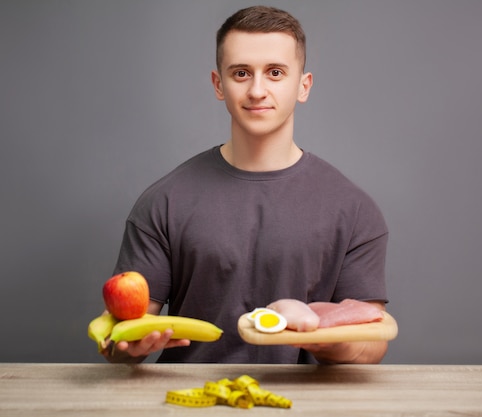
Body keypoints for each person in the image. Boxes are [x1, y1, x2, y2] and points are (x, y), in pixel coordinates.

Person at [104, 5, 389, 364]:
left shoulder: (353, 209)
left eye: (275, 72)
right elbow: (122, 341)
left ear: (303, 86)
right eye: (241, 73)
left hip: (302, 404)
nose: (257, 90)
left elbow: (373, 343)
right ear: (218, 84)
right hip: (189, 403)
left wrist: (320, 338)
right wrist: (127, 349)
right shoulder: (163, 201)